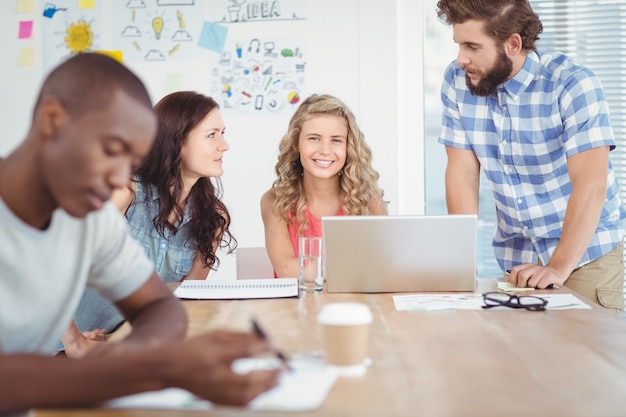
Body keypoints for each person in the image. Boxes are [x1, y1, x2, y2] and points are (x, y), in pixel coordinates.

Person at [0, 53, 278, 416]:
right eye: (112, 150)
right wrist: (154, 367)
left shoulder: (90, 218)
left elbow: (161, 306)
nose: (120, 178)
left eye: (131, 163)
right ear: (53, 120)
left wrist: (128, 354)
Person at [436, 0, 626, 313]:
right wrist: (462, 260)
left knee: (583, 359)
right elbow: (462, 174)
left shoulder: (572, 84)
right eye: (458, 45)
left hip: (585, 256)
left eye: (472, 46)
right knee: (521, 357)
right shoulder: (457, 82)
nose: (461, 59)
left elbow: (591, 186)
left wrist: (558, 267)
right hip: (517, 258)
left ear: (512, 44)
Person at [61, 91, 236, 357]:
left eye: (223, 133)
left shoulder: (213, 219)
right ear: (177, 141)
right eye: (212, 135)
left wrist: (116, 342)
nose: (224, 145)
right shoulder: (125, 192)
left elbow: (185, 303)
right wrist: (74, 343)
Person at [261, 94, 387, 277]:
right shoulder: (275, 201)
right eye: (314, 138)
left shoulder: (369, 201)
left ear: (348, 147)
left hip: (352, 306)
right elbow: (286, 269)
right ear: (296, 143)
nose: (325, 150)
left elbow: (384, 266)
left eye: (336, 140)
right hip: (295, 306)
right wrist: (357, 268)